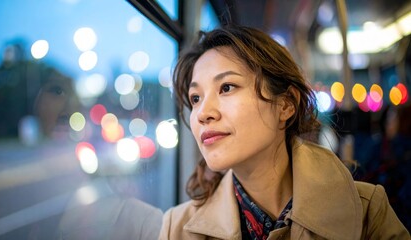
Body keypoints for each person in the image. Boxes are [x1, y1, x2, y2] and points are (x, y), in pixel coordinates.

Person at [159, 25, 410, 239]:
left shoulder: (366, 211)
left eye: (226, 87)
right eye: (195, 98)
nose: (203, 113)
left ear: (286, 104)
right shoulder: (178, 228)